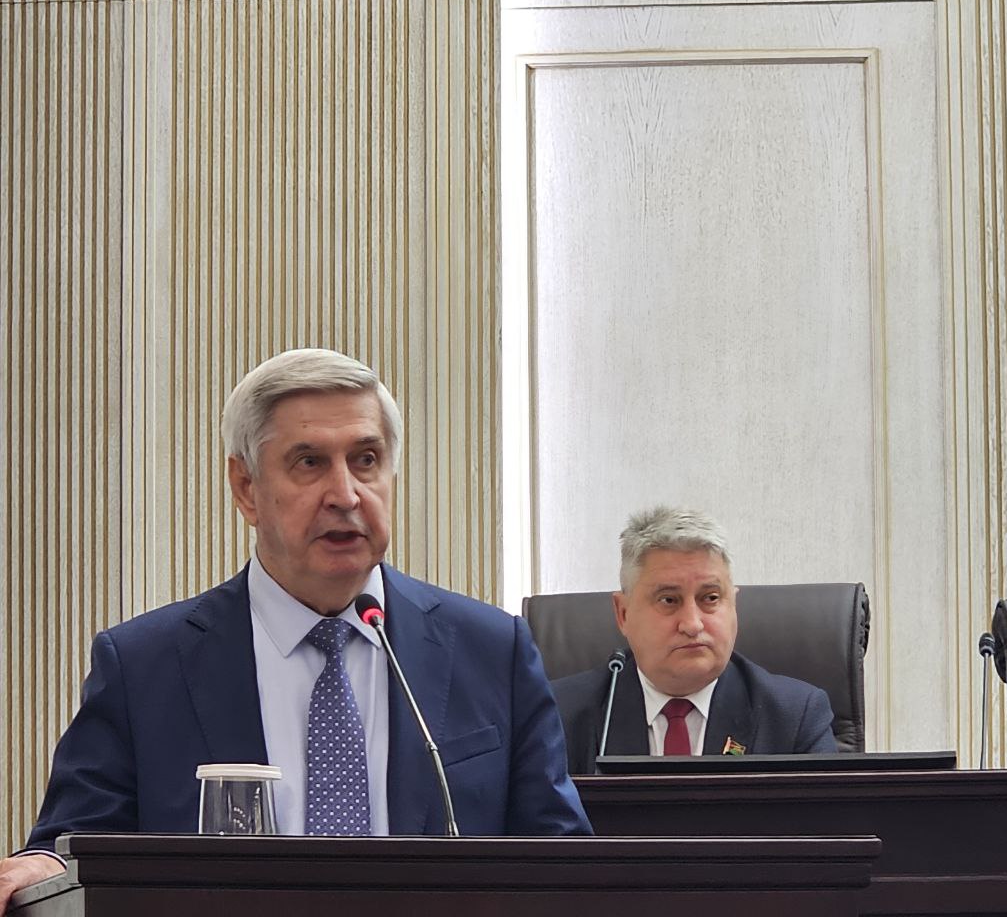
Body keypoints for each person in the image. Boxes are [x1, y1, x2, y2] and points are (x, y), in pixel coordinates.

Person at [0, 348, 589, 908]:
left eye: (366, 460)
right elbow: (72, 849)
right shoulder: (145, 666)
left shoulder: (493, 652)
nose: (345, 494)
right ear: (246, 489)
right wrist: (42, 867)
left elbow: (564, 866)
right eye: (310, 463)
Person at [552, 506, 838, 774]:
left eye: (710, 598)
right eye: (669, 600)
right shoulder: (559, 716)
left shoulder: (794, 716)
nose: (692, 624)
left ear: (733, 605)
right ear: (623, 614)